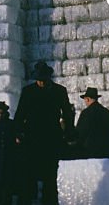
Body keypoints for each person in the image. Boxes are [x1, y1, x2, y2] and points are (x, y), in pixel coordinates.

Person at [13, 61, 73, 205]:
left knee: (51, 176)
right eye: (38, 80)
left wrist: (68, 133)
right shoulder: (28, 91)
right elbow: (20, 114)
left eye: (43, 80)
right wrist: (18, 133)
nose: (41, 83)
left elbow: (67, 114)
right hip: (32, 139)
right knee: (28, 175)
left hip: (52, 138)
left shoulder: (59, 91)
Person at [74, 87, 109, 159]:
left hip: (90, 155)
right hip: (107, 154)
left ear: (87, 99)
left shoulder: (86, 113)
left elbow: (80, 134)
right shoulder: (108, 113)